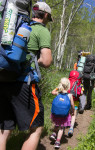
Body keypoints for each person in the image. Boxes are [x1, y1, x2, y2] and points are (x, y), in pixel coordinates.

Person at [0, 2, 53, 150]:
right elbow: (47, 61)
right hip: (23, 83)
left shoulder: (14, 25)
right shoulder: (41, 30)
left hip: (3, 77)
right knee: (36, 129)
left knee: (4, 129)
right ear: (46, 15)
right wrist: (35, 60)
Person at [50, 77, 74, 149]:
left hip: (56, 113)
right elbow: (72, 105)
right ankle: (57, 142)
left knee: (57, 123)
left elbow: (52, 92)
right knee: (61, 127)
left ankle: (54, 134)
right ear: (68, 86)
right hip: (64, 115)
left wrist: (58, 88)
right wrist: (73, 111)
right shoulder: (70, 95)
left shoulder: (58, 93)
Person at [67, 70, 83, 137]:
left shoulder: (67, 81)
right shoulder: (79, 83)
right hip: (75, 101)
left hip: (67, 100)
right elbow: (81, 93)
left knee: (67, 112)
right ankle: (71, 128)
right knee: (73, 114)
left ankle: (64, 124)